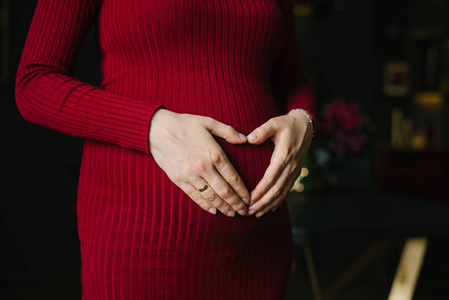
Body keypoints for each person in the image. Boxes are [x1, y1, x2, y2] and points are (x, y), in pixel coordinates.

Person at [15, 0, 317, 299]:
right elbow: (34, 82)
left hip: (259, 243)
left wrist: (303, 119)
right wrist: (150, 126)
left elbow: (291, 80)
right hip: (139, 237)